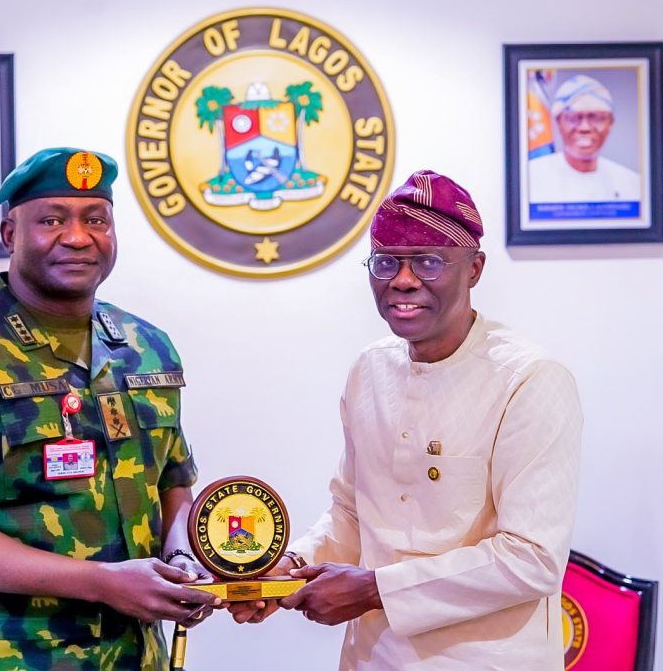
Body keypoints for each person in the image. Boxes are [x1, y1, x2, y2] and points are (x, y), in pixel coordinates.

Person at [231, 170, 583, 669]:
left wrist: (373, 590)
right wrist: (288, 570)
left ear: (474, 268)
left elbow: (532, 559)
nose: (402, 280)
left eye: (428, 261)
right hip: (373, 657)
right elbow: (352, 512)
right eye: (386, 262)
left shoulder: (528, 379)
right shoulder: (370, 369)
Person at [0, 147, 219, 669]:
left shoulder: (147, 347)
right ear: (9, 235)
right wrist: (102, 583)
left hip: (137, 656)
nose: (78, 237)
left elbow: (173, 483)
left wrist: (181, 557)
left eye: (96, 219)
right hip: (14, 657)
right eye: (52, 220)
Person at [528, 74, 641, 202]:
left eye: (596, 118)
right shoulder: (529, 179)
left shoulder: (633, 184)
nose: (584, 127)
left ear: (610, 123)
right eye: (573, 118)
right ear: (558, 123)